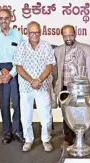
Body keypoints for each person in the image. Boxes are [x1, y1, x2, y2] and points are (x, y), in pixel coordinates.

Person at [13, 21, 55, 152]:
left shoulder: (47, 46)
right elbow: (18, 67)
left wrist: (39, 80)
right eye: (32, 32)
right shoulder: (21, 46)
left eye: (37, 32)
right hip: (26, 87)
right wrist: (32, 81)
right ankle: (28, 140)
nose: (34, 35)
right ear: (27, 33)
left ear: (40, 32)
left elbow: (50, 65)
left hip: (42, 86)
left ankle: (46, 139)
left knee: (46, 117)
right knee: (26, 117)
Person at [53, 25, 90, 147]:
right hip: (65, 88)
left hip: (81, 88)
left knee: (81, 113)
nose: (68, 38)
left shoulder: (85, 49)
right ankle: (68, 138)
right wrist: (56, 88)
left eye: (70, 35)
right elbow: (55, 72)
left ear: (75, 34)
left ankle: (81, 138)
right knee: (66, 114)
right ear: (62, 36)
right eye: (65, 36)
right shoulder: (57, 51)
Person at [0, 9, 25, 144]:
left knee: (17, 103)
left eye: (6, 18)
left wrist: (11, 74)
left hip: (14, 71)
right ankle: (7, 132)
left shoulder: (18, 35)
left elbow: (20, 57)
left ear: (11, 18)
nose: (3, 21)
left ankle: (17, 131)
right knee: (3, 104)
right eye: (1, 18)